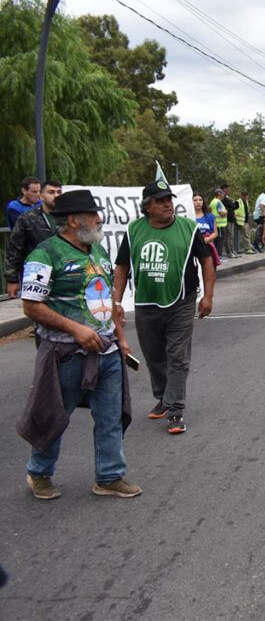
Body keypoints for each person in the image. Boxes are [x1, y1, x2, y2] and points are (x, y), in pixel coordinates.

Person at [18, 189, 142, 499]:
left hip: (108, 351)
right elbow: (31, 306)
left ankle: (110, 476)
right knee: (55, 416)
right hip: (66, 354)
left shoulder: (97, 250)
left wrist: (121, 337)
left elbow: (107, 297)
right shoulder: (44, 255)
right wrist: (76, 329)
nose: (100, 219)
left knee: (110, 416)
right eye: (93, 215)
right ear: (73, 220)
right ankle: (39, 473)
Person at [113, 181, 214, 435]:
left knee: (177, 355)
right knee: (154, 355)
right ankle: (163, 397)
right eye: (160, 201)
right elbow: (122, 266)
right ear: (147, 207)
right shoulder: (134, 230)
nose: (168, 204)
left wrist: (208, 296)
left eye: (169, 199)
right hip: (147, 301)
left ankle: (175, 409)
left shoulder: (188, 229)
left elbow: (206, 261)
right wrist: (116, 302)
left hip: (181, 300)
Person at [6, 179, 61, 298]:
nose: (56, 195)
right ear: (41, 196)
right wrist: (12, 279)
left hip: (63, 273)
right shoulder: (27, 218)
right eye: (51, 192)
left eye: (59, 192)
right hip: (37, 272)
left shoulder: (68, 218)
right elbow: (14, 249)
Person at [192, 194, 219, 264]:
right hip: (193, 250)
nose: (198, 202)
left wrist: (208, 239)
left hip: (207, 248)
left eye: (200, 200)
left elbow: (215, 233)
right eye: (195, 200)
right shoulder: (188, 217)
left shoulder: (210, 216)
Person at [221, 183, 240, 258]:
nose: (229, 190)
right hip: (226, 219)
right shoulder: (223, 198)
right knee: (228, 236)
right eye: (228, 189)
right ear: (224, 189)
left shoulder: (227, 197)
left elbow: (234, 206)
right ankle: (229, 252)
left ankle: (232, 251)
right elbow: (232, 206)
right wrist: (234, 204)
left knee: (230, 236)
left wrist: (234, 205)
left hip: (230, 219)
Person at [211, 189, 229, 257]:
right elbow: (221, 213)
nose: (224, 195)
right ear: (219, 194)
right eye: (223, 194)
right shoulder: (218, 202)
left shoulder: (213, 201)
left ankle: (216, 255)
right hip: (220, 225)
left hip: (215, 224)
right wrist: (226, 211)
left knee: (216, 240)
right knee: (220, 241)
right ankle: (219, 256)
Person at [253, 187, 265, 252]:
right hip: (261, 215)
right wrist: (264, 215)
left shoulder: (261, 195)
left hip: (256, 215)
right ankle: (263, 243)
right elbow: (262, 205)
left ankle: (260, 244)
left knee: (261, 230)